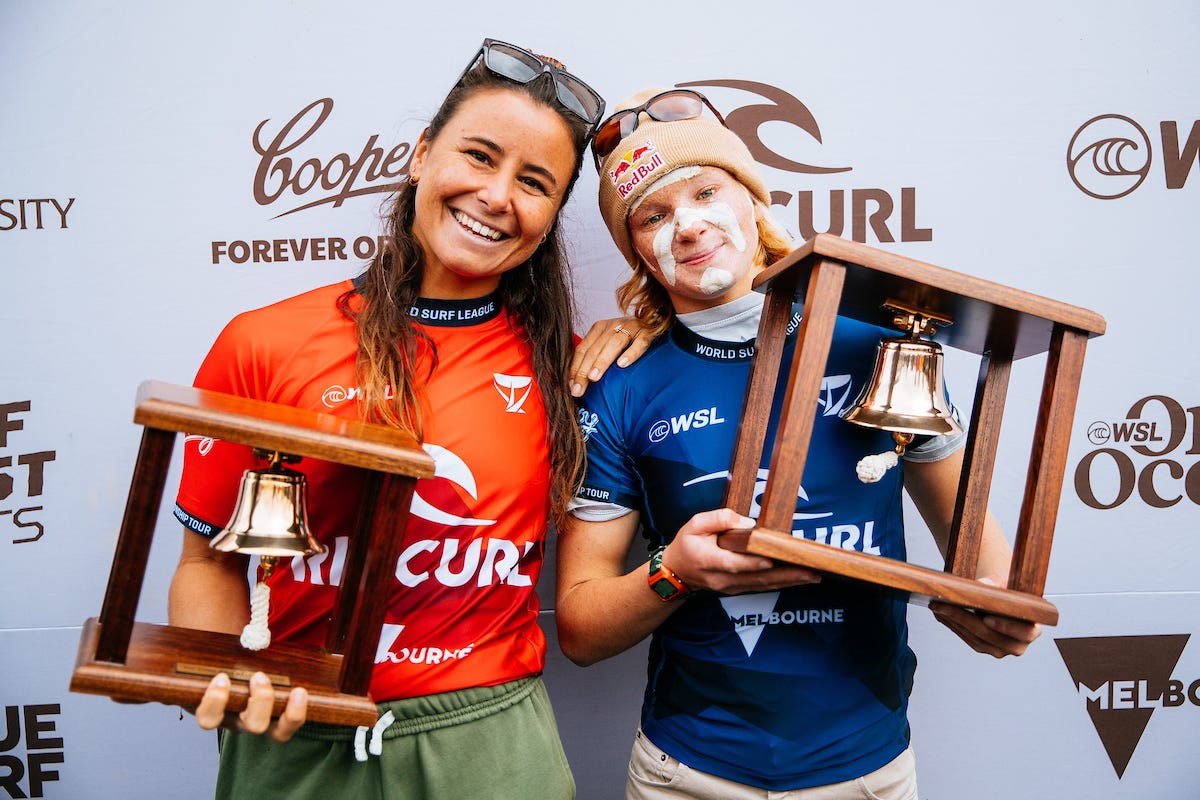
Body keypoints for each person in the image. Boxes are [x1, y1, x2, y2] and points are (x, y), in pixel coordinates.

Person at [556, 87, 1042, 799]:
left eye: (705, 192)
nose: (687, 226)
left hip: (867, 769)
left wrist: (999, 609)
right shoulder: (620, 385)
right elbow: (580, 627)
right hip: (685, 772)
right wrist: (674, 571)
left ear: (753, 202)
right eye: (653, 216)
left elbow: (985, 561)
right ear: (638, 251)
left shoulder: (882, 346)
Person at [166, 39, 614, 800]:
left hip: (490, 747)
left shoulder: (575, 371)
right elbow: (206, 564)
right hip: (300, 734)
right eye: (479, 156)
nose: (498, 195)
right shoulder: (264, 342)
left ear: (549, 219)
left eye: (534, 182)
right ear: (420, 156)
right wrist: (228, 677)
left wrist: (637, 326)